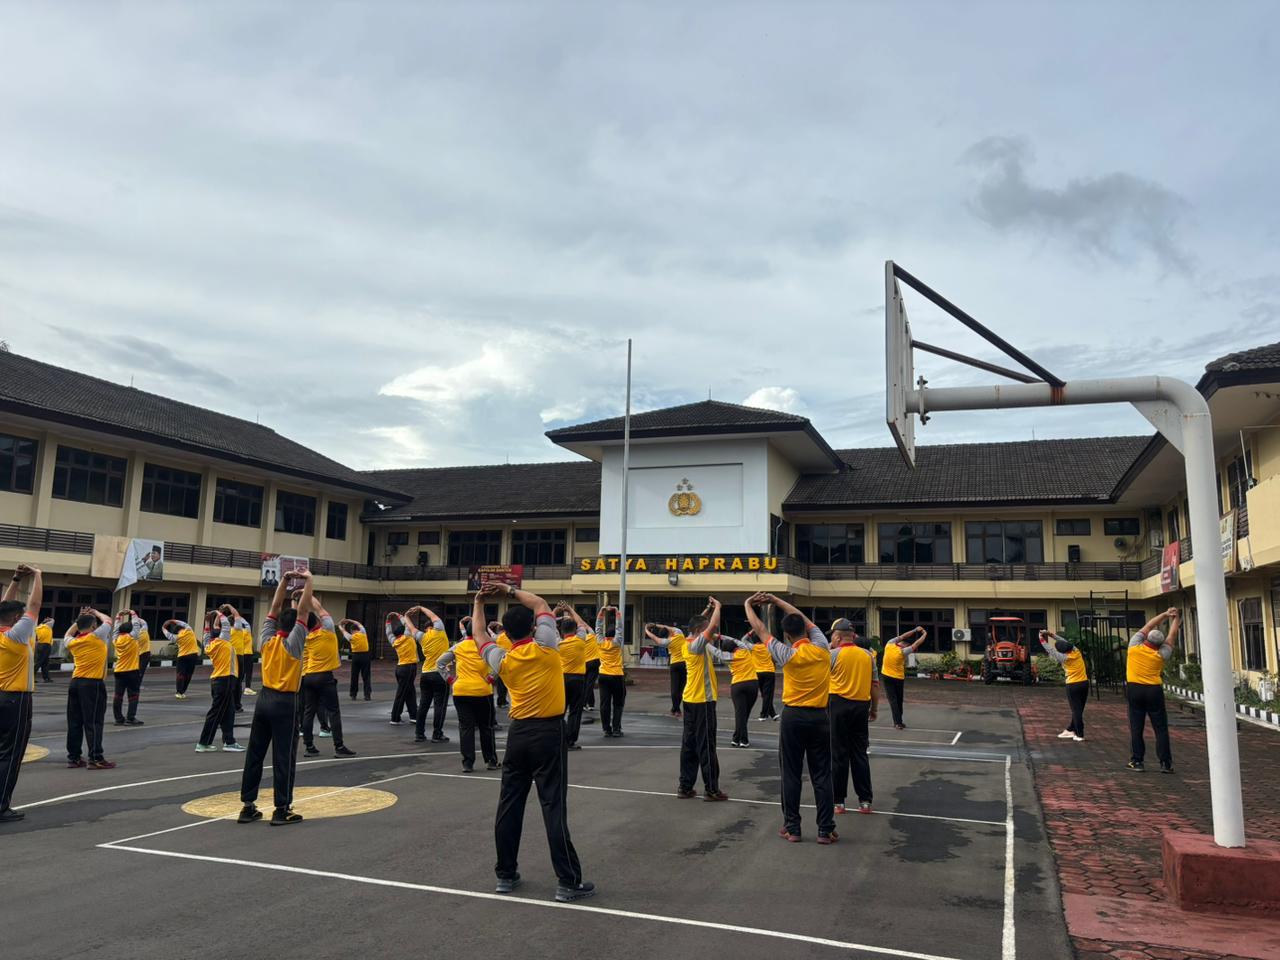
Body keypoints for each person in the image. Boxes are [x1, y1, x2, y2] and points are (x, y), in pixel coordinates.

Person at [471, 581, 593, 903]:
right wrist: (508, 590)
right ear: (534, 628)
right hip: (548, 733)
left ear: (507, 634)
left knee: (509, 805)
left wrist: (479, 602)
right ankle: (567, 881)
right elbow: (539, 602)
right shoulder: (547, 646)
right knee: (553, 807)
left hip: (518, 735)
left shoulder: (502, 658)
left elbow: (479, 635)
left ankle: (505, 874)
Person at [743, 592, 836, 844]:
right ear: (806, 630)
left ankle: (793, 828)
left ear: (786, 635)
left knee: (791, 773)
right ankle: (825, 829)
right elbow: (803, 619)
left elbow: (760, 629)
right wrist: (776, 600)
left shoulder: (786, 654)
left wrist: (748, 604)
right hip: (820, 716)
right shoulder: (822, 646)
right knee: (822, 774)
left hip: (794, 716)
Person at [238, 569, 313, 826]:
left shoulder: (267, 641)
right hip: (285, 702)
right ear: (296, 628)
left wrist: (284, 580)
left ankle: (248, 806)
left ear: (278, 623)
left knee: (255, 753)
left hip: (264, 700)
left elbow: (274, 607)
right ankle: (282, 809)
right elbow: (303, 612)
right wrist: (309, 580)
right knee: (284, 756)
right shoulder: (294, 645)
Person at [678, 598, 731, 802]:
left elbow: (698, 624)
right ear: (701, 631)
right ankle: (711, 789)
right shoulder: (697, 646)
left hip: (689, 700)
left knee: (689, 744)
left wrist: (708, 609)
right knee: (707, 745)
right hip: (703, 702)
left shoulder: (687, 642)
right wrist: (718, 607)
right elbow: (711, 627)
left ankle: (685, 786)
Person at [0, 563, 42, 822]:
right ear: (17, 619)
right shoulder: (16, 636)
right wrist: (37, 576)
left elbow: (4, 606)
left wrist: (16, 579)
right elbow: (34, 605)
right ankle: (1, 806)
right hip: (15, 699)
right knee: (10, 754)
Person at [828, 618, 878, 815]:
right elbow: (874, 685)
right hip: (860, 706)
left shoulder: (832, 655)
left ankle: (838, 801)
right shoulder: (867, 655)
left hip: (838, 705)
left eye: (832, 636)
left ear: (837, 636)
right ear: (853, 636)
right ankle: (865, 801)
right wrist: (874, 709)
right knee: (859, 753)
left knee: (838, 754)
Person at [298, 591, 356, 759]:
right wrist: (307, 594)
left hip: (308, 676)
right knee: (333, 711)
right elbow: (319, 608)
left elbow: (299, 617)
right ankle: (339, 746)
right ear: (317, 622)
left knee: (308, 712)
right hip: (324, 676)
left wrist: (297, 600)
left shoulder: (306, 637)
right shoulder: (327, 630)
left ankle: (309, 746)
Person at [437, 618, 499, 772]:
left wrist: (450, 679)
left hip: (461, 691)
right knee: (486, 727)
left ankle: (468, 763)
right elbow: (500, 662)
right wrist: (491, 677)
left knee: (466, 728)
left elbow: (440, 663)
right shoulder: (487, 646)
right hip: (482, 690)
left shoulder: (458, 646)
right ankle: (491, 760)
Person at [1126, 608, 1179, 773]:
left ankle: (1137, 761)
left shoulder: (1134, 646)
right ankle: (1165, 763)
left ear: (1146, 638)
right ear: (1159, 644)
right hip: (1154, 691)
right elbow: (1172, 636)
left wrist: (1165, 614)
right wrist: (1176, 618)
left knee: (1136, 727)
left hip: (1134, 689)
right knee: (1160, 728)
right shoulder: (1161, 654)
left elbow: (1148, 625)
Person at [65, 605, 116, 770]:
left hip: (75, 683)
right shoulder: (96, 636)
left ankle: (73, 758)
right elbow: (108, 620)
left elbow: (68, 633)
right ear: (94, 626)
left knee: (74, 722)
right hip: (92, 684)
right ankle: (95, 758)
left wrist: (79, 619)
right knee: (94, 722)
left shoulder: (73, 642)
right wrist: (95, 612)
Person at [194, 611, 244, 753]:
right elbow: (226, 625)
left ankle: (229, 741)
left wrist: (208, 621)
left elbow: (207, 633)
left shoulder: (209, 645)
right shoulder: (223, 643)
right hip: (225, 680)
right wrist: (218, 612)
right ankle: (203, 743)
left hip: (218, 680)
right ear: (222, 634)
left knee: (229, 712)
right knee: (216, 712)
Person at [407, 605, 450, 744]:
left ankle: (419, 734)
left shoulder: (422, 637)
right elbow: (433, 615)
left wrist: (406, 616)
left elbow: (411, 628)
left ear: (426, 628)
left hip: (425, 674)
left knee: (423, 705)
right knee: (439, 706)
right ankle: (437, 734)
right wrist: (420, 607)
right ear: (433, 626)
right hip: (440, 674)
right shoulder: (440, 630)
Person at [1039, 629, 1089, 741]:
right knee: (1079, 709)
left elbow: (1050, 650)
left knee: (1076, 710)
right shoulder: (1076, 651)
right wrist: (1050, 634)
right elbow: (1064, 641)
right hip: (1084, 683)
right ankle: (1070, 729)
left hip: (1073, 685)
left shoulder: (1064, 658)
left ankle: (1079, 734)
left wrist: (1041, 639)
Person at [554, 604, 591, 750]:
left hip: (562, 678)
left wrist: (556, 611)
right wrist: (570, 610)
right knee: (575, 711)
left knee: (560, 710)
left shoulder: (558, 643)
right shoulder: (580, 639)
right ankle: (570, 741)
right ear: (575, 630)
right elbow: (581, 622)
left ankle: (557, 738)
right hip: (578, 679)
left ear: (561, 631)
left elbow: (548, 624)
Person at [879, 625, 927, 729]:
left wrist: (915, 630)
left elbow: (903, 636)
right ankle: (898, 722)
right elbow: (917, 643)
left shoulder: (889, 644)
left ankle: (898, 722)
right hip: (897, 678)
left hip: (886, 676)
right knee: (898, 700)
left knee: (893, 700)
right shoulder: (903, 652)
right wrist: (924, 634)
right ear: (906, 645)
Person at [594, 605, 626, 738]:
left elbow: (598, 628)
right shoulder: (617, 642)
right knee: (618, 704)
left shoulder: (600, 642)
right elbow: (620, 628)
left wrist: (601, 612)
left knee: (604, 704)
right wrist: (617, 613)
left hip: (603, 675)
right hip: (617, 675)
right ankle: (616, 729)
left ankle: (607, 729)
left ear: (606, 634)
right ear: (614, 635)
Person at [111, 610, 145, 727]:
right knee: (133, 695)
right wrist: (133, 613)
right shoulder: (132, 637)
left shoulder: (116, 640)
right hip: (132, 671)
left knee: (118, 696)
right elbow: (136, 625)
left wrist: (118, 616)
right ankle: (130, 718)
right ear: (130, 630)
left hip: (119, 671)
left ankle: (118, 718)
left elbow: (115, 629)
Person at [385, 613, 419, 725]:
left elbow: (388, 633)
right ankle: (395, 718)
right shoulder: (408, 637)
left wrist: (388, 621)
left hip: (400, 668)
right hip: (409, 667)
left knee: (410, 692)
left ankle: (414, 716)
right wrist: (400, 616)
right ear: (403, 632)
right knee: (402, 694)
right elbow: (407, 625)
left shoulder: (394, 641)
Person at [727, 632, 760, 747]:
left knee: (740, 713)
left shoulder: (729, 658)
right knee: (745, 713)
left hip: (737, 684)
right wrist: (751, 632)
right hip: (752, 683)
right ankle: (738, 738)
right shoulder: (746, 651)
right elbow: (740, 640)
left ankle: (741, 739)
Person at [163, 618, 202, 699]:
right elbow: (183, 623)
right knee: (189, 674)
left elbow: (168, 635)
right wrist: (173, 620)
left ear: (176, 632)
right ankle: (183, 691)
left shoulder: (176, 637)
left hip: (182, 656)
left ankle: (179, 692)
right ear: (182, 628)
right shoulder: (189, 630)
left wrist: (163, 628)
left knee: (180, 674)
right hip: (193, 655)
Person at [226, 606, 255, 707]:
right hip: (244, 653)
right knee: (246, 673)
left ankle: (231, 698)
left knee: (234, 676)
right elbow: (246, 623)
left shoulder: (228, 632)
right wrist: (237, 615)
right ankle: (247, 688)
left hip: (235, 655)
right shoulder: (242, 631)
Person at [339, 618, 372, 701]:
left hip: (356, 656)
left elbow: (343, 631)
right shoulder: (363, 632)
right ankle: (367, 695)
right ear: (358, 629)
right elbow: (358, 623)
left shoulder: (351, 637)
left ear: (352, 631)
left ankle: (353, 694)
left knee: (354, 676)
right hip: (365, 656)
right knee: (366, 676)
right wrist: (350, 620)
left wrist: (341, 625)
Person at [754, 625, 778, 722]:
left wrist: (750, 632)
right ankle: (763, 714)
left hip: (758, 672)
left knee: (765, 694)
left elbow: (743, 640)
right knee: (768, 694)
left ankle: (772, 713)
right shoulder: (768, 647)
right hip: (769, 672)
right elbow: (774, 659)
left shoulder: (753, 648)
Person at [583, 617, 601, 714]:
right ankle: (589, 703)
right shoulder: (592, 636)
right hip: (594, 662)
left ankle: (587, 703)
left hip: (585, 663)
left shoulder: (580, 639)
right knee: (589, 684)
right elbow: (587, 626)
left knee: (587, 684)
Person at [34, 616, 54, 683]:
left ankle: (46, 678)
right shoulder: (47, 627)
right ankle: (45, 678)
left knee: (43, 662)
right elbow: (52, 620)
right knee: (41, 663)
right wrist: (47, 619)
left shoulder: (38, 628)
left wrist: (44, 621)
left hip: (40, 645)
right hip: (46, 645)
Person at [135, 618, 152, 686]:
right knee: (141, 670)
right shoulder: (144, 631)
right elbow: (144, 622)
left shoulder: (133, 635)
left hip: (136, 654)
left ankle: (133, 684)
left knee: (135, 670)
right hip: (145, 653)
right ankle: (137, 684)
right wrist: (135, 617)